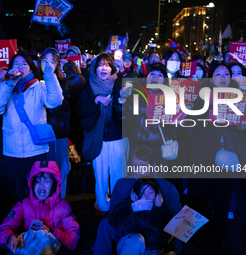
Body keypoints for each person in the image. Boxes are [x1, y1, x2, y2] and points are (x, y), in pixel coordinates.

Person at [187, 63, 246, 245]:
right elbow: (192, 123)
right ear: (211, 77)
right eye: (218, 73)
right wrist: (207, 116)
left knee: (222, 198)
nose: (222, 77)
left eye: (226, 74)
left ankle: (220, 236)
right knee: (199, 197)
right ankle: (197, 236)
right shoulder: (202, 97)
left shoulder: (240, 97)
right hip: (204, 154)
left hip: (229, 156)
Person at [0, 52, 63, 202]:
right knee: (17, 189)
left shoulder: (39, 86)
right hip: (12, 151)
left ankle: (38, 220)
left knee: (39, 188)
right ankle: (21, 221)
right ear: (10, 69)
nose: (19, 67)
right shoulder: (6, 87)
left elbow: (54, 101)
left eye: (24, 64)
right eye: (16, 64)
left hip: (36, 148)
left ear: (31, 68)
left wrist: (49, 75)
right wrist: (7, 83)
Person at [0, 161, 80, 254]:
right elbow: (3, 229)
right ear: (32, 183)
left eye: (47, 181)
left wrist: (51, 231)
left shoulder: (63, 208)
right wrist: (9, 238)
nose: (41, 185)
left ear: (54, 185)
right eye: (37, 181)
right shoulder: (23, 205)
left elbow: (73, 239)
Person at [77, 53, 123, 213]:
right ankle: (102, 205)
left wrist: (123, 100)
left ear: (112, 68)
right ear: (94, 68)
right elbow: (81, 110)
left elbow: (126, 113)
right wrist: (96, 101)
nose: (104, 68)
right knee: (101, 174)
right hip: (98, 139)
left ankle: (118, 205)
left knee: (118, 173)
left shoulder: (119, 84)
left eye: (108, 65)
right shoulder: (88, 86)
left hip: (118, 137)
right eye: (100, 65)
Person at [37, 47, 85, 199]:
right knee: (40, 174)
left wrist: (69, 66)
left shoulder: (63, 83)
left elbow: (78, 83)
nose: (48, 64)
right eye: (45, 60)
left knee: (60, 170)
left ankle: (59, 205)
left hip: (58, 134)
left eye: (53, 61)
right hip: (37, 136)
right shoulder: (34, 82)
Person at [108, 178, 180, 255]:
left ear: (157, 194)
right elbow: (113, 221)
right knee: (137, 240)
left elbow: (168, 236)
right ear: (136, 195)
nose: (146, 196)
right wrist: (133, 207)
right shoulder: (130, 205)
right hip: (130, 247)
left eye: (150, 192)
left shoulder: (163, 212)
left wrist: (167, 244)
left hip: (152, 250)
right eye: (142, 193)